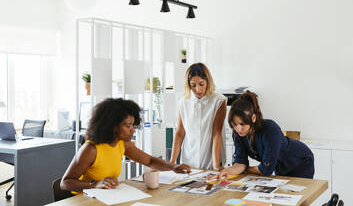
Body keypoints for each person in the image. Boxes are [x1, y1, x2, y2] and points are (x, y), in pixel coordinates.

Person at [60, 98, 191, 192]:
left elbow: (150, 161)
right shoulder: (91, 149)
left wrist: (173, 166)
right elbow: (65, 183)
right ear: (112, 126)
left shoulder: (123, 144)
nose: (132, 130)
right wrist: (94, 185)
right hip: (84, 200)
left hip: (107, 198)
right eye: (128, 126)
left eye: (133, 125)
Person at [218, 90, 314, 179]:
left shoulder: (270, 129)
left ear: (253, 118)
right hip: (280, 167)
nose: (239, 129)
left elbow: (265, 170)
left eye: (243, 124)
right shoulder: (238, 134)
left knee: (297, 194)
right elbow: (240, 163)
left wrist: (244, 169)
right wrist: (228, 171)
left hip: (300, 162)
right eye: (234, 124)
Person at [170, 62, 227, 170]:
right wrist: (172, 162)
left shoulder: (219, 101)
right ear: (188, 85)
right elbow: (180, 133)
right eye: (193, 85)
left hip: (211, 160)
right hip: (189, 160)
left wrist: (216, 165)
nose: (197, 89)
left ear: (208, 82)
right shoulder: (183, 102)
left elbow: (216, 133)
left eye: (201, 84)